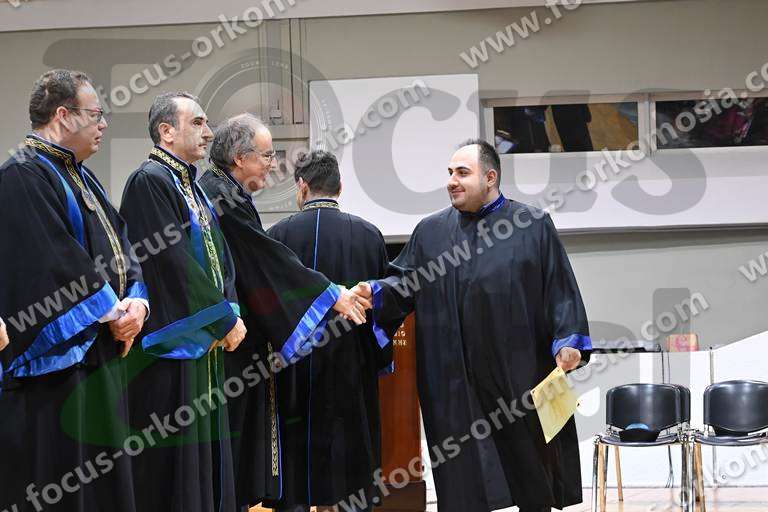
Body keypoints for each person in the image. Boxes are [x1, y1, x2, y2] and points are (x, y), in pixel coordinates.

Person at [353, 139, 591, 512]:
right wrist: (375, 291)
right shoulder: (430, 232)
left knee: (531, 467)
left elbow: (559, 289)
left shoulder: (532, 226)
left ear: (490, 177)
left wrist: (568, 340)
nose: (451, 181)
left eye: (462, 173)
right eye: (450, 173)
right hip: (452, 379)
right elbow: (404, 283)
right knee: (460, 473)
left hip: (518, 373)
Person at [199, 114, 368, 509]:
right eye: (267, 155)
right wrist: (330, 293)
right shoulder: (219, 195)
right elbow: (265, 259)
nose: (272, 164)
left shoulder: (225, 191)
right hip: (224, 344)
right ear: (240, 158)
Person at [0, 69, 148, 512]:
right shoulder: (22, 174)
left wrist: (137, 302)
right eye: (96, 114)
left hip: (100, 350)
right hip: (55, 367)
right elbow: (52, 260)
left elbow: (123, 245)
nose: (103, 124)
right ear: (63, 115)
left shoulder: (82, 177)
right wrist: (113, 312)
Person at [119, 92, 246, 512]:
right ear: (166, 131)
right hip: (174, 348)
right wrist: (222, 319)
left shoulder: (191, 185)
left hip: (204, 342)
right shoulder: (149, 181)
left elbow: (221, 257)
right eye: (197, 123)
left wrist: (232, 309)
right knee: (173, 468)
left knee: (204, 459)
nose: (208, 132)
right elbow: (169, 263)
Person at [267, 150, 391, 512]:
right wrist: (379, 358)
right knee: (352, 461)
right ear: (340, 186)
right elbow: (383, 306)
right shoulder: (369, 235)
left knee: (298, 466)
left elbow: (269, 309)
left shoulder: (278, 236)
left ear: (302, 186)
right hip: (353, 367)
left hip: (296, 372)